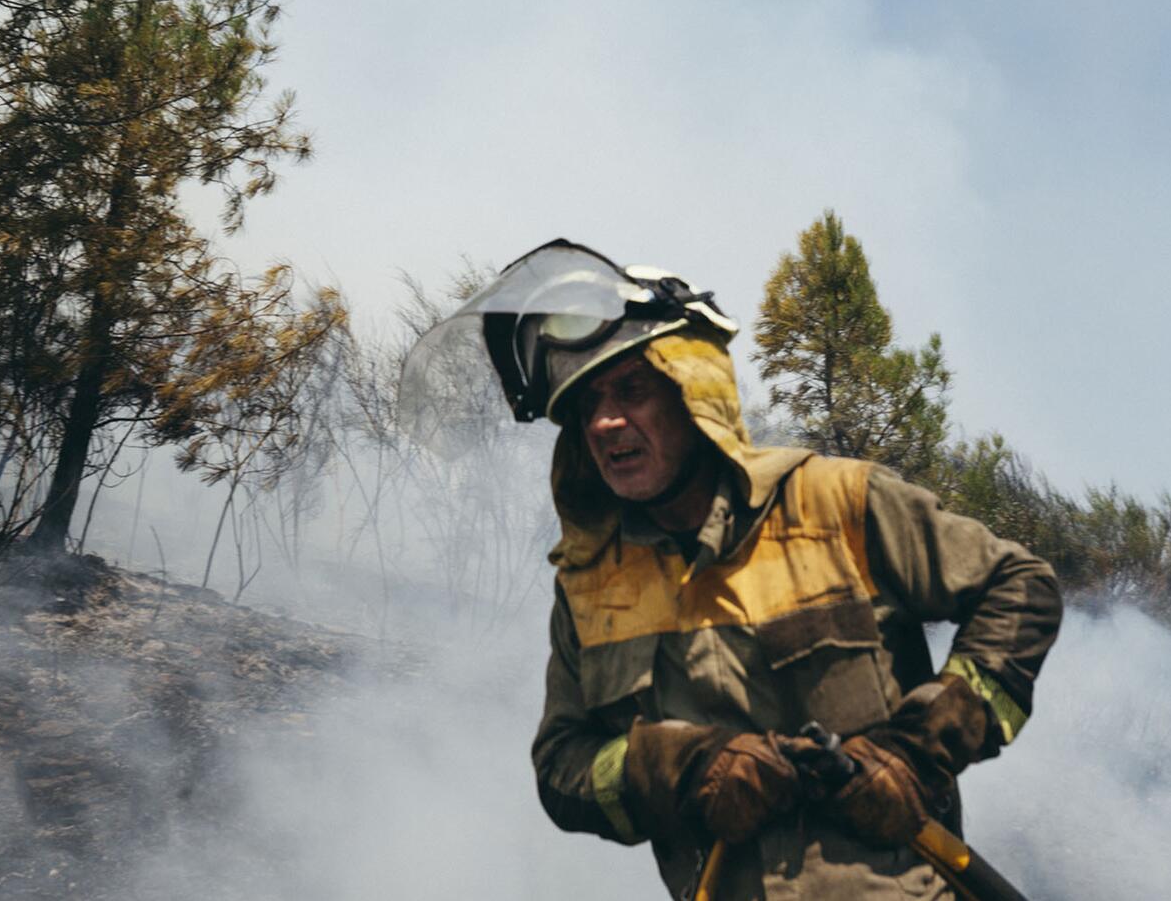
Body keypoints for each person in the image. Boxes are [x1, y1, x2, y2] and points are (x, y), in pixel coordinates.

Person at [421, 239, 1062, 899]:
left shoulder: (836, 502)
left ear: (692, 389)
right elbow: (562, 769)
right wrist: (681, 769)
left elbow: (1022, 588)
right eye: (587, 405)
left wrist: (919, 751)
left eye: (632, 389)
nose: (606, 421)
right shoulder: (592, 587)